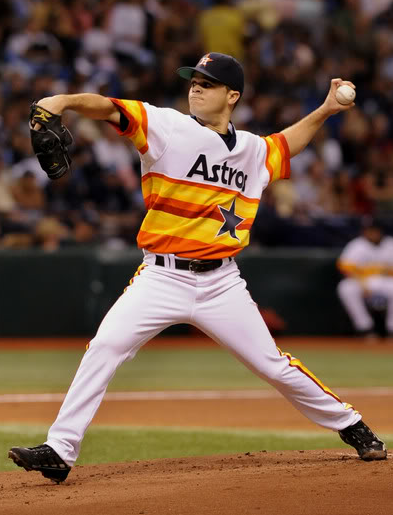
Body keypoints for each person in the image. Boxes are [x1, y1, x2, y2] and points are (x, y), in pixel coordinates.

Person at [9, 52, 387, 483]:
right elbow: (111, 108)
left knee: (272, 365)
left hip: (222, 282)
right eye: (193, 81)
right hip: (161, 276)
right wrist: (62, 101)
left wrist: (325, 110)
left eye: (206, 83)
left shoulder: (250, 149)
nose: (195, 87)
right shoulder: (167, 126)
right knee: (105, 347)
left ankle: (352, 426)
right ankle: (60, 449)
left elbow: (284, 145)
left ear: (232, 96)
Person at [337, 216, 393, 337]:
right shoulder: (356, 245)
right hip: (361, 282)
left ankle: (392, 328)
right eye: (368, 230)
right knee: (346, 288)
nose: (371, 232)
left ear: (381, 230)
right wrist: (363, 285)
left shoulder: (390, 244)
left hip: (386, 282)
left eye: (374, 230)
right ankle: (365, 328)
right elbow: (345, 269)